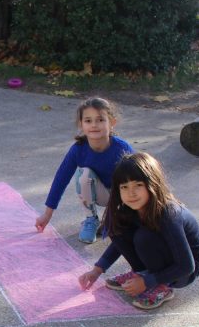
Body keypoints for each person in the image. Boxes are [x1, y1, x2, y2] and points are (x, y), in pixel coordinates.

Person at [78, 152, 199, 310]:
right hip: (166, 255)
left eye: (138, 185)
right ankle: (142, 272)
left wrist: (148, 282)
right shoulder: (129, 208)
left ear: (152, 184)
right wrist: (97, 270)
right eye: (124, 187)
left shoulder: (168, 214)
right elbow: (119, 242)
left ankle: (163, 285)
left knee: (144, 237)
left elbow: (187, 266)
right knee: (117, 228)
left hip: (184, 272)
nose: (131, 193)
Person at [34, 97, 133, 244]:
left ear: (112, 123)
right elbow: (61, 179)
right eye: (88, 121)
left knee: (123, 230)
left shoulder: (122, 148)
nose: (94, 125)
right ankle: (91, 219)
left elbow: (139, 179)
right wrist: (47, 215)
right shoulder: (78, 150)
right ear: (81, 124)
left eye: (100, 120)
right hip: (98, 193)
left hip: (121, 196)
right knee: (84, 173)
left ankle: (115, 217)